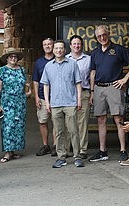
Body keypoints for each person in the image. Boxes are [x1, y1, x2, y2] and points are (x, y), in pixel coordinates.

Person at [89, 25, 129, 162]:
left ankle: (123, 150)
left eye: (104, 35)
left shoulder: (118, 49)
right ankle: (102, 151)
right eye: (99, 36)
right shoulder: (95, 53)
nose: (102, 38)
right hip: (99, 87)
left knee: (118, 119)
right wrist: (92, 91)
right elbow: (93, 72)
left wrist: (125, 79)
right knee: (101, 119)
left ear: (108, 34)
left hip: (114, 87)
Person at [40, 40, 84, 168]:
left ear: (65, 50)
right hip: (55, 103)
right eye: (56, 48)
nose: (58, 50)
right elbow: (46, 85)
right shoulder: (48, 66)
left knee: (73, 130)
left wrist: (79, 100)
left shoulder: (72, 64)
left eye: (61, 48)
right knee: (59, 132)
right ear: (53, 50)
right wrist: (47, 102)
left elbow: (78, 83)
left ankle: (77, 156)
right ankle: (61, 157)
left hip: (70, 102)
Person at [0, 48, 31, 163]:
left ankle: (13, 150)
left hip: (20, 102)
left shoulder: (21, 69)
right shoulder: (2, 70)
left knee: (18, 126)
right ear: (7, 59)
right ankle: (7, 152)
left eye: (15, 57)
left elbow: (26, 83)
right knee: (8, 127)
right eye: (11, 57)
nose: (13, 58)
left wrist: (28, 92)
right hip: (7, 102)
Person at [65, 35, 91, 159]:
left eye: (79, 44)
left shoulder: (88, 59)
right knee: (69, 122)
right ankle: (68, 148)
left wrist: (92, 92)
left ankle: (82, 150)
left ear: (82, 45)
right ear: (70, 45)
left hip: (84, 93)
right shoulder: (65, 59)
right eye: (74, 44)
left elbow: (92, 76)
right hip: (68, 94)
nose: (76, 46)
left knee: (83, 122)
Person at [33, 38, 57, 156]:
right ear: (43, 47)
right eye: (45, 44)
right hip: (42, 96)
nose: (47, 46)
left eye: (49, 44)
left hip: (56, 96)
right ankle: (45, 145)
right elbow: (36, 81)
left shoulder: (58, 59)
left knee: (56, 122)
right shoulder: (38, 62)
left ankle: (55, 145)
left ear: (53, 45)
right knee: (43, 121)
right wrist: (36, 96)